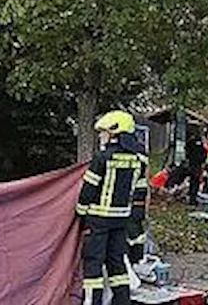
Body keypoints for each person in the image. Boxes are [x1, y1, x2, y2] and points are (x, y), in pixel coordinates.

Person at [77, 110, 147, 305]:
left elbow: (88, 190)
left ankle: (93, 302)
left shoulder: (102, 158)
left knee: (93, 266)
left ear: (114, 132)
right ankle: (122, 302)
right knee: (117, 266)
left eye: (104, 132)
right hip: (121, 220)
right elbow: (140, 194)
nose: (101, 136)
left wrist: (81, 213)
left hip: (98, 221)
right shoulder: (139, 160)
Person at [118, 128, 150, 264]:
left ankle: (130, 261)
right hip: (139, 199)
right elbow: (147, 179)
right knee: (137, 231)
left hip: (128, 199)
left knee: (129, 231)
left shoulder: (123, 154)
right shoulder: (141, 154)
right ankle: (137, 260)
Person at [185, 133, 204, 205]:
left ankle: (191, 199)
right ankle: (193, 199)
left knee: (192, 183)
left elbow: (187, 151)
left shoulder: (191, 145)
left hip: (192, 166)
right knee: (195, 184)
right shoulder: (200, 147)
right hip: (197, 167)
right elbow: (204, 156)